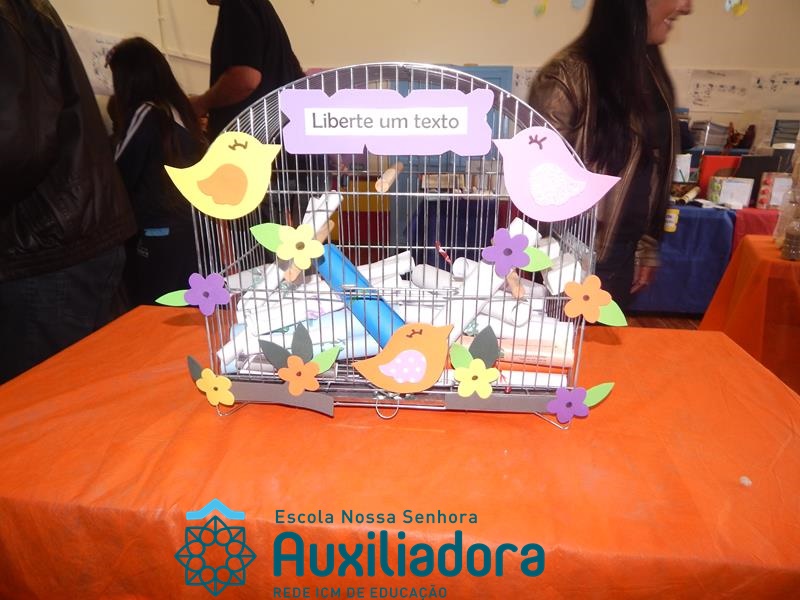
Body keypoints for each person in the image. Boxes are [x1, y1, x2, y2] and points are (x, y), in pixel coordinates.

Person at [0, 0, 137, 383]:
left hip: (45, 245)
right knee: (90, 389)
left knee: (43, 401)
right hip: (69, 232)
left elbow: (15, 144)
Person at [528, 0, 692, 310]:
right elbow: (541, 181)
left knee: (606, 339)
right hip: (574, 258)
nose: (686, 7)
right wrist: (560, 263)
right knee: (566, 340)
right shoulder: (569, 74)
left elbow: (653, 168)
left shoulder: (650, 72)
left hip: (622, 254)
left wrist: (646, 245)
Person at [107, 37, 207, 306]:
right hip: (191, 230)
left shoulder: (146, 113)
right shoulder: (182, 114)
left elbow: (119, 172)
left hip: (159, 232)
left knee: (154, 309)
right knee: (188, 305)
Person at [192, 0, 305, 140]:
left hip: (249, 142)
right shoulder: (258, 7)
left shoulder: (237, 5)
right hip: (275, 135)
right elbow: (293, 68)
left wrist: (201, 103)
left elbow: (246, 80)